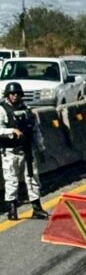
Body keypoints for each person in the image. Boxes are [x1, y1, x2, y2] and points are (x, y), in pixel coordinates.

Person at [0, 82, 48, 220]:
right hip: (10, 151)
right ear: (7, 95)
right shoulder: (2, 110)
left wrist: (41, 149)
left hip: (27, 150)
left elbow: (36, 130)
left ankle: (37, 208)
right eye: (11, 93)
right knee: (11, 180)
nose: (14, 96)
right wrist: (11, 131)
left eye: (17, 93)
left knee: (32, 178)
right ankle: (12, 209)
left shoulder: (27, 110)